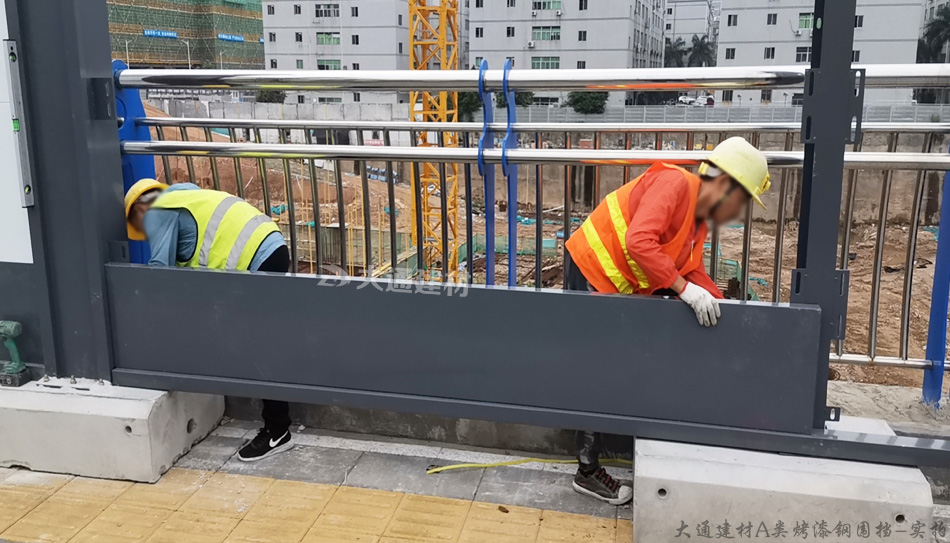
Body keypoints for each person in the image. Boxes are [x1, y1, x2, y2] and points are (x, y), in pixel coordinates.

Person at [563, 136, 771, 504]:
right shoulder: (675, 184)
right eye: (741, 201)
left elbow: (690, 269)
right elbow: (639, 241)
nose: (739, 213)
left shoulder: (699, 219)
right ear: (725, 185)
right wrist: (684, 290)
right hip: (590, 269)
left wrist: (727, 311)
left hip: (616, 285)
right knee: (597, 368)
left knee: (614, 365)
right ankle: (587, 471)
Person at [124, 179, 295, 462]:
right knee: (254, 338)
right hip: (271, 246)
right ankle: (277, 426)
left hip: (256, 259)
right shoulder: (186, 196)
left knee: (259, 345)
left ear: (139, 210)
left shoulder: (157, 210)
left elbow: (159, 274)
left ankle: (278, 431)